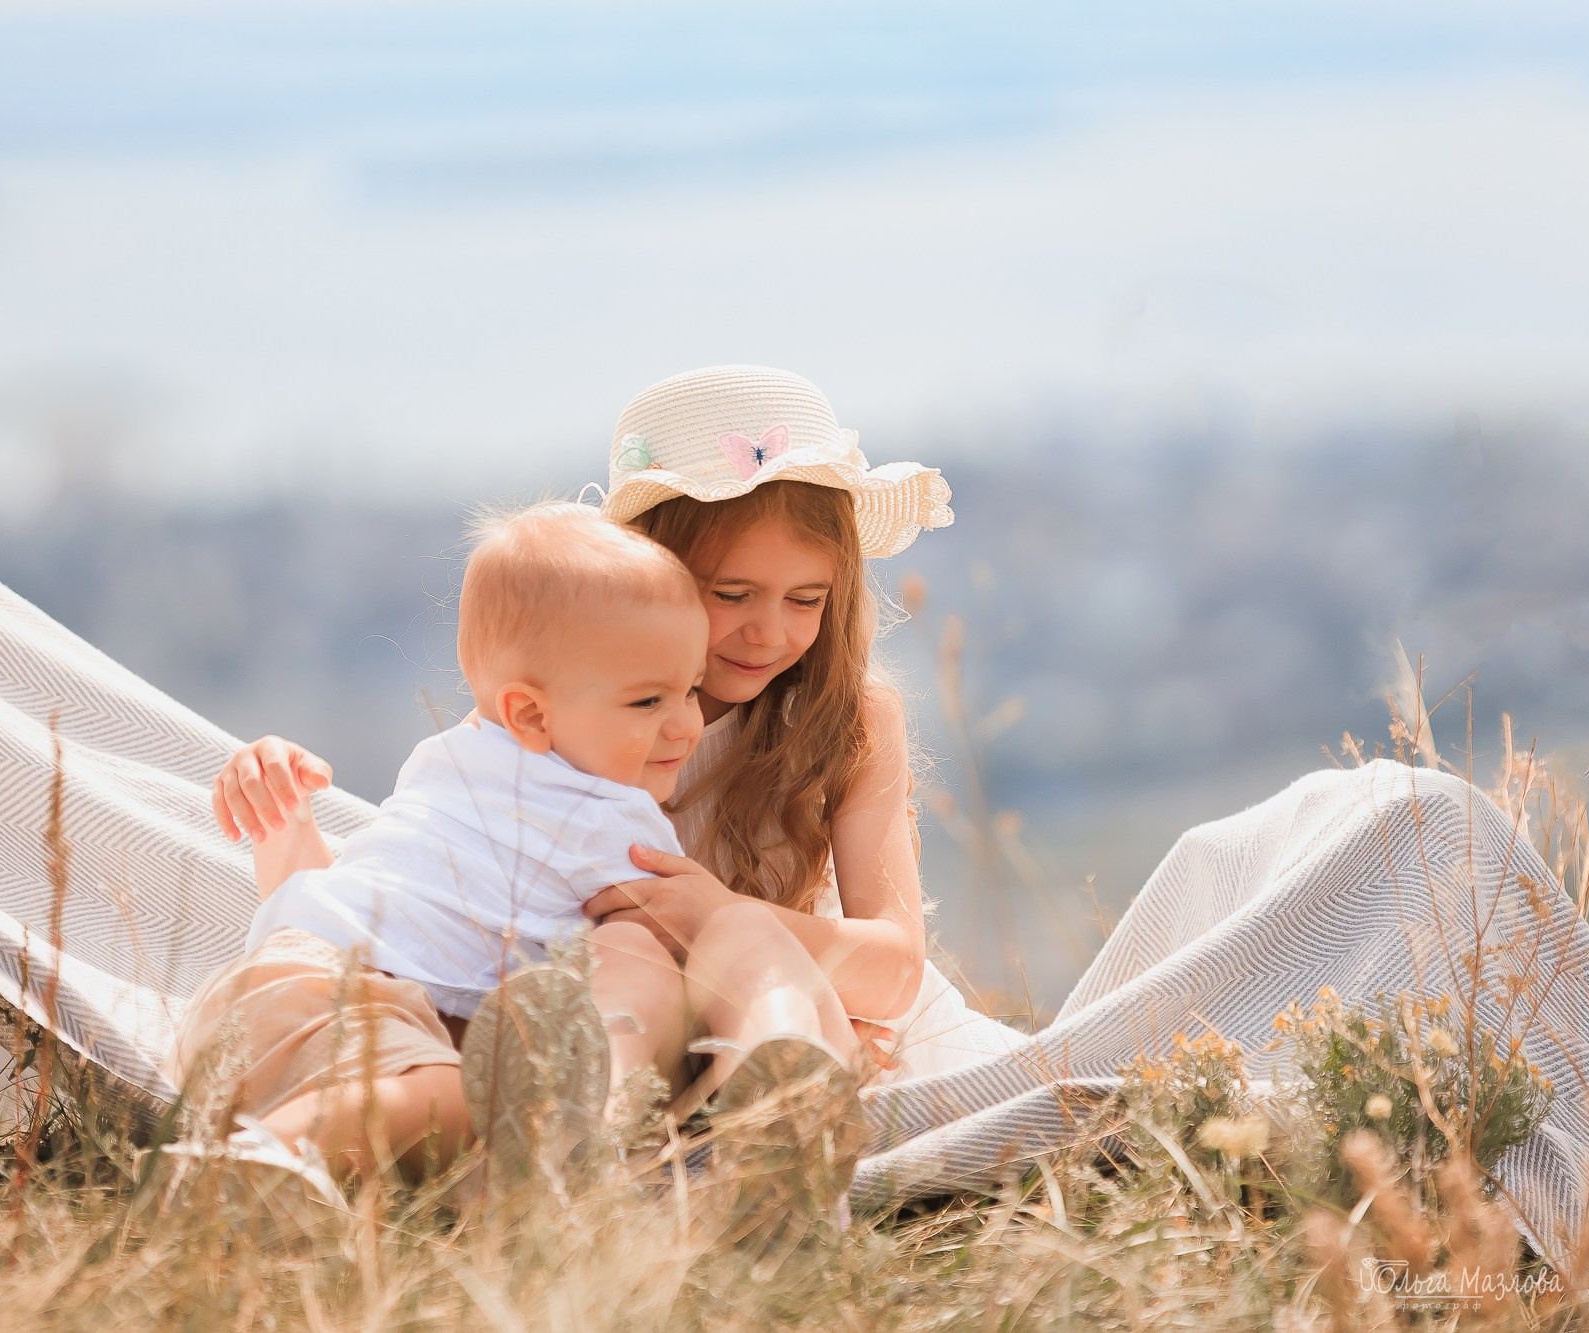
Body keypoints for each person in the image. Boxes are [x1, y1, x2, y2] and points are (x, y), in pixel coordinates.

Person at [213, 367, 1025, 1218]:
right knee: (623, 971)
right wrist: (287, 826)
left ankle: (783, 1088)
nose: (769, 630)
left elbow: (896, 966)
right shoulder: (573, 712)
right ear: (650, 576)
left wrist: (712, 913)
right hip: (613, 1028)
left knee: (732, 938)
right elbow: (441, 900)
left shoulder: (853, 718)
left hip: (798, 989)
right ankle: (607, 1139)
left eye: (806, 599)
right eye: (731, 594)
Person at [168, 501, 708, 1181]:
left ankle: (271, 1160)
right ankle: (241, 1166)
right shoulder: (613, 819)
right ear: (530, 713)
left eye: (691, 689)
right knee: (470, 1102)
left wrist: (287, 820)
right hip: (342, 1003)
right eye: (648, 702)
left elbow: (318, 904)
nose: (687, 724)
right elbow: (687, 961)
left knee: (441, 1099)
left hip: (263, 999)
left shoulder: (452, 764)